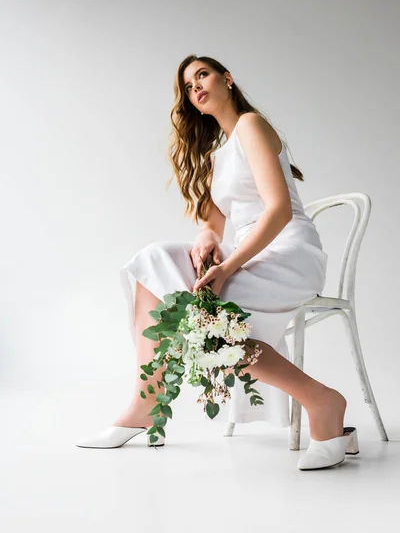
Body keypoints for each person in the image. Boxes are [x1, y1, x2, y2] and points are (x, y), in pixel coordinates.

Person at [76, 54, 358, 470]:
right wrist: (207, 237)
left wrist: (225, 268)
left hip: (287, 255)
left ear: (227, 78)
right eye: (189, 87)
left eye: (202, 76)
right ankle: (145, 403)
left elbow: (278, 210)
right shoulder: (219, 152)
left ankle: (323, 401)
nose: (196, 88)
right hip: (250, 259)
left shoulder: (251, 125)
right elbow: (214, 220)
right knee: (154, 265)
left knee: (203, 317)